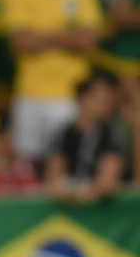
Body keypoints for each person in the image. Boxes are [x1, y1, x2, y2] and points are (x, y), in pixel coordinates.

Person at [4, 0, 102, 164]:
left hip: (70, 93)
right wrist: (68, 37)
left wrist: (39, 37)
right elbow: (21, 42)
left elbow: (88, 40)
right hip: (29, 92)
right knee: (26, 162)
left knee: (66, 160)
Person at [45, 72, 126, 204]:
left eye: (108, 100)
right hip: (67, 203)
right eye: (100, 99)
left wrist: (86, 193)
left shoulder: (112, 133)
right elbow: (53, 177)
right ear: (81, 98)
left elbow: (107, 181)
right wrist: (72, 194)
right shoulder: (63, 133)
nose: (106, 105)